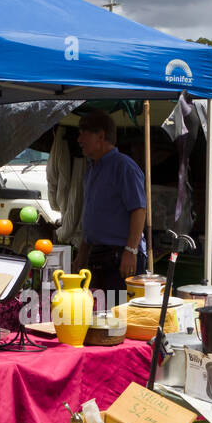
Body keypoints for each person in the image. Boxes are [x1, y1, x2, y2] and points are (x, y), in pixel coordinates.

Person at [72, 111, 146, 305]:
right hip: (98, 256)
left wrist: (131, 251)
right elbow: (90, 216)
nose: (79, 139)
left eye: (83, 133)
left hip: (120, 257)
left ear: (101, 136)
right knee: (99, 315)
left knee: (118, 318)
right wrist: (82, 253)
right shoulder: (91, 169)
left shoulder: (124, 167)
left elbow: (139, 209)